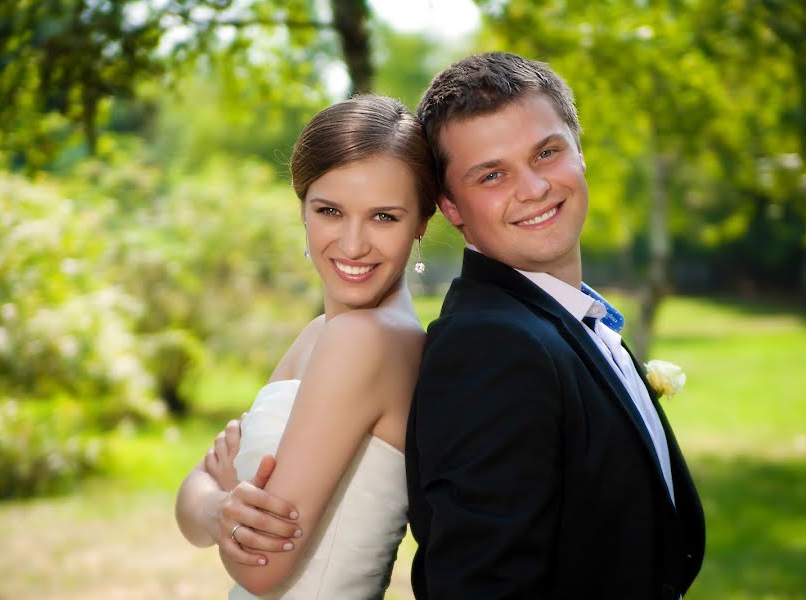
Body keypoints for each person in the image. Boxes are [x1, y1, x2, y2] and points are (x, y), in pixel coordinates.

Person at [404, 52, 706, 599]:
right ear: (450, 206)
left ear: (580, 150)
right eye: (492, 174)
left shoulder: (569, 321)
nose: (534, 188)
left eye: (546, 152)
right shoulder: (490, 348)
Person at [175, 94, 438, 599]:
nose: (354, 243)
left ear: (423, 221)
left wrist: (219, 499)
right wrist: (219, 506)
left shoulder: (363, 339)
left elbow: (257, 565)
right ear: (302, 208)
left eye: (384, 217)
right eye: (330, 211)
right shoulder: (322, 333)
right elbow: (189, 504)